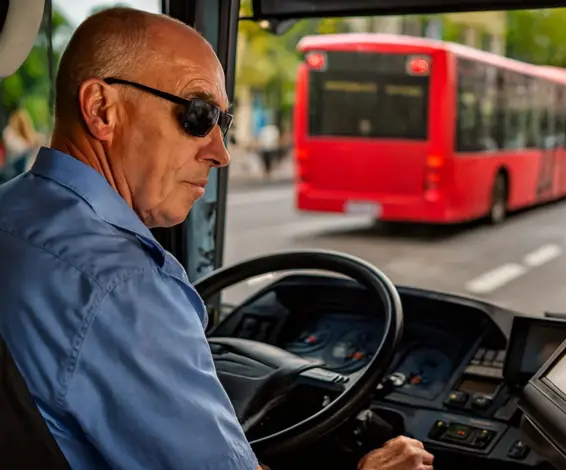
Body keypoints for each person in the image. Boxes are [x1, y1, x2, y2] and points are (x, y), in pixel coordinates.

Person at [0, 7, 434, 470]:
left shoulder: (11, 211)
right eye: (198, 113)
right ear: (102, 110)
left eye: (222, 123)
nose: (220, 153)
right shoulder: (124, 289)